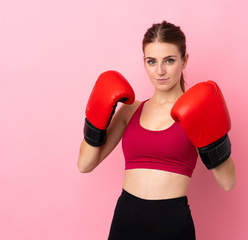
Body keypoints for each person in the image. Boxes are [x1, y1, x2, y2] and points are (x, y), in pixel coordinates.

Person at [77, 21, 236, 240]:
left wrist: (213, 138)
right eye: (152, 61)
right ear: (145, 62)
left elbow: (228, 183)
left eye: (169, 60)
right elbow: (85, 165)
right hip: (126, 219)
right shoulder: (130, 111)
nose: (159, 71)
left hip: (172, 223)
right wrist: (95, 123)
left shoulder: (195, 113)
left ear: (184, 60)